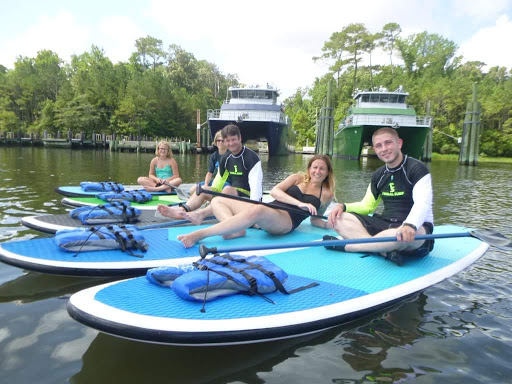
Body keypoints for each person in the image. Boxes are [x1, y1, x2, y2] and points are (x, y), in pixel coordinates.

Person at [326, 127, 434, 266]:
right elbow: (367, 206)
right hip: (386, 225)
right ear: (375, 149)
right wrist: (343, 206)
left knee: (396, 235)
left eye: (388, 143)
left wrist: (410, 225)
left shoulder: (417, 168)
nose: (384, 149)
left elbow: (422, 203)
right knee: (339, 218)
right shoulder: (379, 175)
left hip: (415, 229)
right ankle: (384, 250)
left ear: (399, 143)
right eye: (378, 146)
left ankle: (349, 247)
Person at [177, 154, 335, 248]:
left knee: (258, 210)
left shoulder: (326, 194)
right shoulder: (297, 178)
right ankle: (236, 229)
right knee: (219, 199)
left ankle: (201, 234)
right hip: (270, 210)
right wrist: (300, 203)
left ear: (327, 172)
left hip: (286, 221)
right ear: (309, 168)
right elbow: (275, 191)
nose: (317, 171)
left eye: (322, 169)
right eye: (315, 167)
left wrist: (328, 224)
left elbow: (316, 219)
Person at [157, 124, 263, 225]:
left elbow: (256, 186)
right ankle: (182, 210)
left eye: (233, 139)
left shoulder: (251, 158)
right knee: (203, 189)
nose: (231, 143)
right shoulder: (226, 158)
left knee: (227, 190)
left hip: (248, 197)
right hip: (231, 195)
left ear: (240, 138)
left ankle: (200, 214)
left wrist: (255, 209)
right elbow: (218, 181)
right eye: (227, 141)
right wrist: (209, 192)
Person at [187, 130, 229, 196]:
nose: (220, 142)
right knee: (192, 190)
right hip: (215, 181)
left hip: (227, 183)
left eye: (223, 140)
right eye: (218, 140)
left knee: (222, 191)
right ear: (215, 142)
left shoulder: (231, 155)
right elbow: (210, 173)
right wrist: (206, 184)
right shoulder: (214, 156)